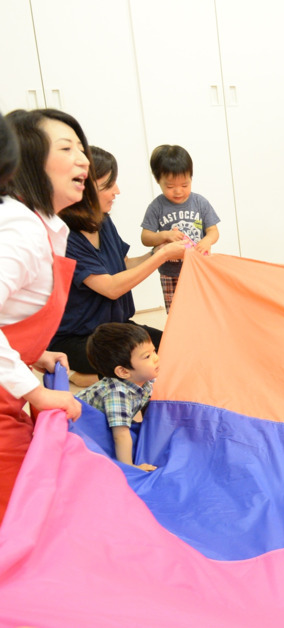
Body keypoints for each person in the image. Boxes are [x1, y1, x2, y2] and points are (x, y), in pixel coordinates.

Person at [0, 108, 87, 521]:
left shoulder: (43, 226)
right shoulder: (22, 229)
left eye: (81, 148)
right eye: (67, 148)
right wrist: (35, 392)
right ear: (26, 162)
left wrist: (34, 355)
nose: (84, 159)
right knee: (25, 516)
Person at [48, 147, 186, 388]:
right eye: (108, 185)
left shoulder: (102, 220)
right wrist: (163, 255)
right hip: (79, 339)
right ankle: (79, 375)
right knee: (142, 370)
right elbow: (111, 287)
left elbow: (121, 266)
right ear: (83, 189)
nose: (117, 191)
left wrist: (155, 251)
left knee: (173, 349)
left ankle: (94, 375)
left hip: (116, 329)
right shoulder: (66, 237)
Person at [140, 144, 220, 313]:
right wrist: (165, 235)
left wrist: (206, 241)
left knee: (204, 309)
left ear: (191, 178)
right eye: (170, 186)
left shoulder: (200, 203)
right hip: (170, 274)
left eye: (185, 185)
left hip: (199, 268)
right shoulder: (157, 207)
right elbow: (145, 237)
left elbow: (213, 231)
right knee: (177, 312)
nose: (178, 191)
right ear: (158, 181)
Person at [76, 323, 159, 472]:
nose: (155, 358)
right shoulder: (118, 394)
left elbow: (148, 403)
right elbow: (120, 435)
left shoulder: (144, 380)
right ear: (123, 372)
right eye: (147, 356)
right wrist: (129, 468)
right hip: (80, 429)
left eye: (154, 351)